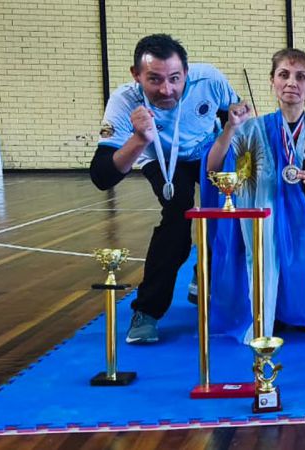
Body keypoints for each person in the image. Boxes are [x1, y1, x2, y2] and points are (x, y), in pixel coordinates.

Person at [89, 34, 240, 344]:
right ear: (136, 75)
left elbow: (231, 113)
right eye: (154, 79)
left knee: (234, 210)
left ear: (187, 72)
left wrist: (236, 127)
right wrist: (138, 139)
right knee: (177, 215)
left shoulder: (210, 79)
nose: (166, 89)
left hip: (206, 151)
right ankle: (147, 311)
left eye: (174, 78)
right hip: (158, 154)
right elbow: (102, 176)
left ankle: (206, 272)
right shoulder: (124, 101)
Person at [205, 48, 305, 342]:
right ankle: (271, 306)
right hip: (264, 224)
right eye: (284, 74)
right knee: (272, 323)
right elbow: (215, 167)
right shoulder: (252, 129)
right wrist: (232, 127)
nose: (291, 82)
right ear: (272, 81)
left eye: (301, 76)